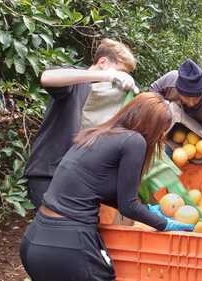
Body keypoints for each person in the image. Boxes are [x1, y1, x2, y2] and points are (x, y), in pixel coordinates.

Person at [20, 92, 194, 281]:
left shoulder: (99, 134)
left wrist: (146, 210)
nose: (162, 137)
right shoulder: (134, 141)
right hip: (68, 245)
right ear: (151, 126)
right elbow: (129, 205)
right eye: (162, 130)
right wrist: (164, 224)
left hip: (35, 240)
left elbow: (99, 190)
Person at [25, 38, 139, 208]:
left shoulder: (104, 98)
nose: (121, 79)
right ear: (103, 62)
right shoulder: (76, 84)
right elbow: (47, 77)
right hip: (48, 174)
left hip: (76, 178)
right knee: (57, 230)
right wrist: (106, 76)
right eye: (120, 72)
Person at [149, 59, 202, 165]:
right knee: (168, 164)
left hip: (200, 140)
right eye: (186, 97)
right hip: (174, 134)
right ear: (178, 90)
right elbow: (153, 90)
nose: (191, 103)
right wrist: (165, 106)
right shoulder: (171, 79)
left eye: (196, 98)